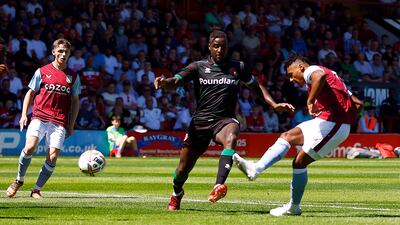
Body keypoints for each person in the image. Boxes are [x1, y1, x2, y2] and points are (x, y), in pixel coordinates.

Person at [154, 30, 294, 211]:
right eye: (216, 46)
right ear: (209, 47)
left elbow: (256, 87)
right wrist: (164, 82)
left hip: (224, 120)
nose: (220, 50)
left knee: (232, 137)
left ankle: (218, 186)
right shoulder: (197, 67)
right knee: (182, 170)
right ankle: (177, 193)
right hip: (200, 122)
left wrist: (274, 105)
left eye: (223, 46)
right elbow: (176, 81)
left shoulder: (238, 67)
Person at [233, 54, 363, 216]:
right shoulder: (332, 75)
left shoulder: (312, 70)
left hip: (333, 124)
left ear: (300, 67)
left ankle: (294, 207)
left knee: (299, 163)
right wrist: (346, 115)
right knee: (287, 136)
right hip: (326, 121)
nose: (291, 79)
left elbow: (319, 76)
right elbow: (358, 103)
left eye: (290, 74)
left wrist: (311, 101)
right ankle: (255, 169)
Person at [6, 39, 80, 198]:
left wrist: (71, 124)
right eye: (60, 51)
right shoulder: (42, 71)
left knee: (52, 157)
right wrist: (24, 114)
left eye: (66, 52)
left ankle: (36, 190)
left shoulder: (73, 77)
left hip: (59, 120)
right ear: (53, 52)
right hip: (39, 116)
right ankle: (18, 180)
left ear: (69, 54)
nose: (63, 54)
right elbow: (30, 93)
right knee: (30, 147)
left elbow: (75, 101)